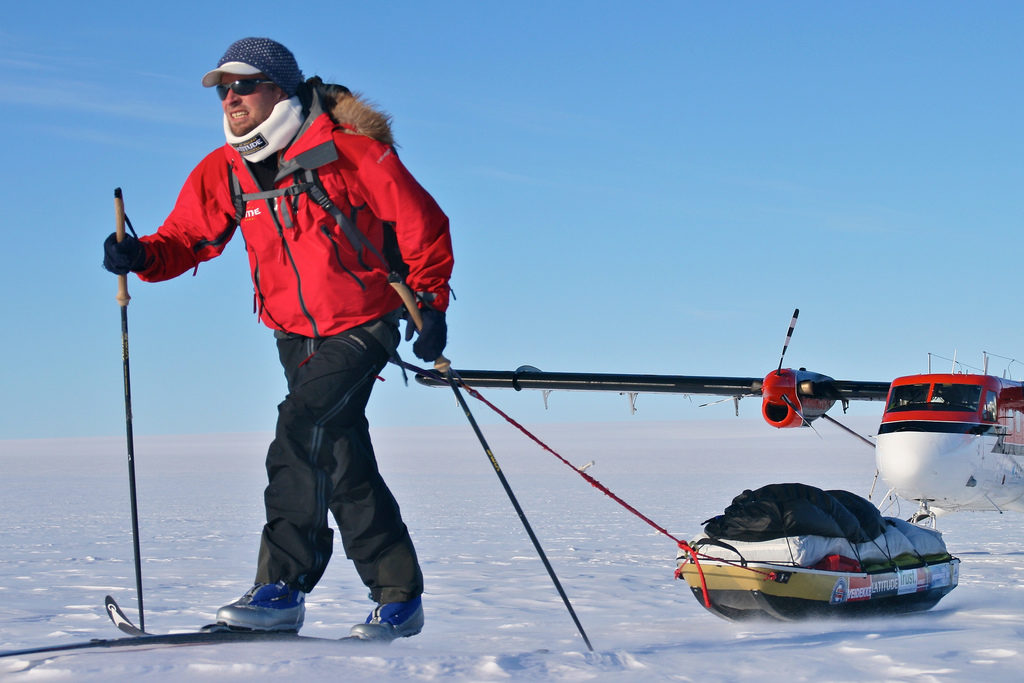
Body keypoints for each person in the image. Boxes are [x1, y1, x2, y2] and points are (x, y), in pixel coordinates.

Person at [103, 37, 454, 641]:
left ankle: (283, 587)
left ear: (281, 89)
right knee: (339, 456)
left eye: (244, 85)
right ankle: (399, 597)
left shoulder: (349, 152)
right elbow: (188, 237)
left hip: (363, 322)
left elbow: (423, 224)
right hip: (293, 332)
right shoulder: (226, 168)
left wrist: (431, 305)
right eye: (223, 88)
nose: (231, 98)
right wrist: (139, 256)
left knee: (300, 427)